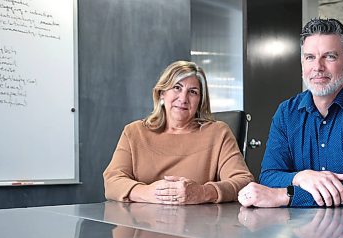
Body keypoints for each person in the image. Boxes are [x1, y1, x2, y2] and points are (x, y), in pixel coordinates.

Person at [239, 18, 343, 208]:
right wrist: (301, 177)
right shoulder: (286, 112)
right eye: (310, 57)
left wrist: (286, 195)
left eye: (329, 56)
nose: (317, 67)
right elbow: (269, 176)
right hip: (304, 228)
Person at [104, 60, 254, 204]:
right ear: (162, 93)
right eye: (177, 87)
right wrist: (148, 193)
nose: (183, 98)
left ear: (200, 101)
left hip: (199, 226)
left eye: (193, 92)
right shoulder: (134, 132)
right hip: (140, 224)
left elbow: (244, 181)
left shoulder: (218, 133)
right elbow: (112, 181)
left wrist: (203, 193)